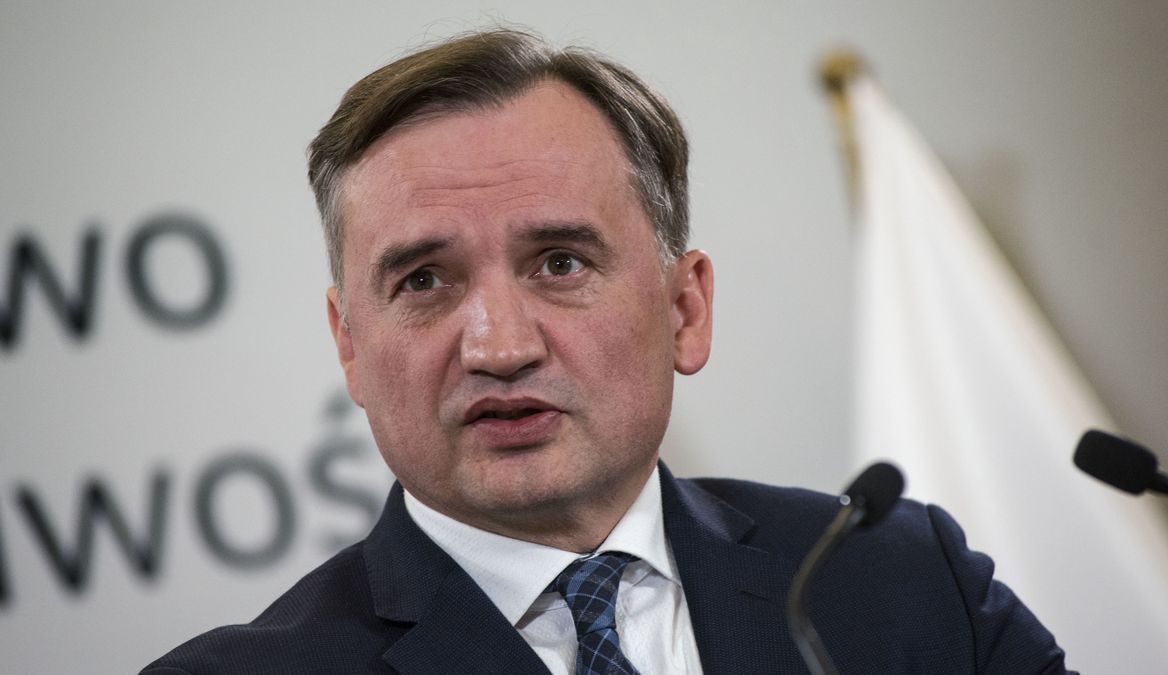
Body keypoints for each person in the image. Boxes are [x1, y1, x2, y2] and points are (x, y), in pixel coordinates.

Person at [143, 29, 1072, 674]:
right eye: (424, 281)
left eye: (559, 262)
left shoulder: (900, 580)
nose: (499, 346)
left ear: (684, 307)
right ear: (349, 344)